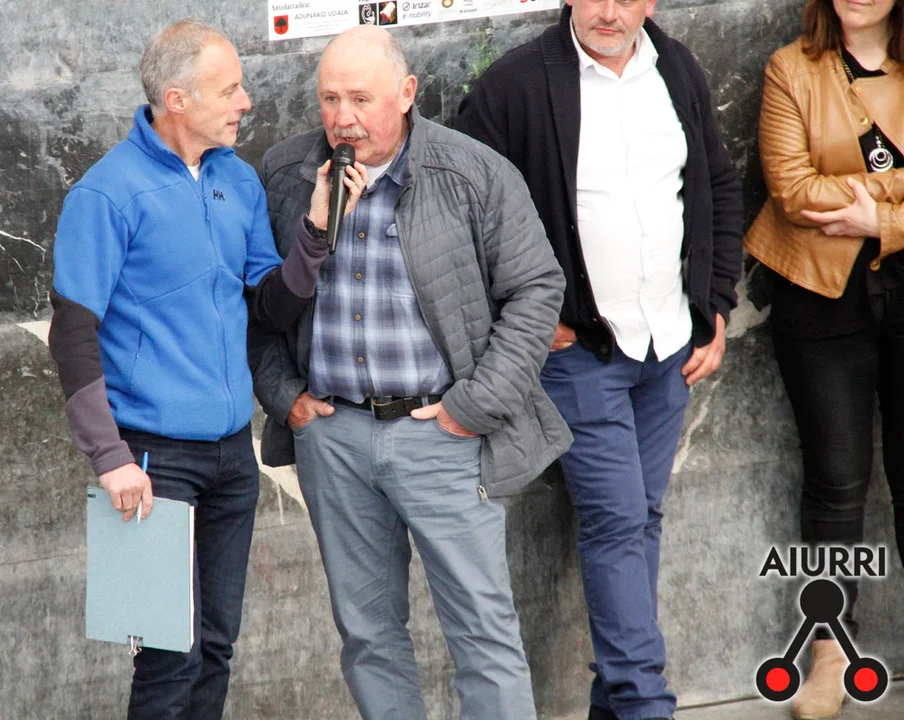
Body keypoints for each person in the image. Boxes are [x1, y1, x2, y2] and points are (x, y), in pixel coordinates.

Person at [250, 25, 571, 720]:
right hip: (333, 434)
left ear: (406, 94)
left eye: (360, 99)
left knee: (482, 632)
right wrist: (285, 397)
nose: (342, 117)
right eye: (329, 98)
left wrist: (474, 407)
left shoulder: (472, 172)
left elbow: (537, 288)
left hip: (442, 433)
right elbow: (253, 301)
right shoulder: (285, 174)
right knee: (368, 635)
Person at [48, 20, 365, 720]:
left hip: (231, 455)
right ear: (176, 100)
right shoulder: (106, 195)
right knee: (170, 657)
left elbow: (270, 305)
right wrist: (110, 457)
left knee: (216, 647)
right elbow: (71, 336)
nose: (245, 101)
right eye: (229, 90)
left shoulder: (238, 180)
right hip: (151, 460)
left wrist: (316, 230)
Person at [456, 1, 744, 719]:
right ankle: (646, 704)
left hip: (667, 346)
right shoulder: (516, 84)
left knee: (640, 517)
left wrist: (714, 301)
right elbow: (458, 212)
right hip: (580, 353)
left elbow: (717, 184)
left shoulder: (677, 68)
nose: (609, 12)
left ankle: (614, 705)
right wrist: (525, 317)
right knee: (618, 521)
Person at [744, 0, 904, 717]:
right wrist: (894, 196)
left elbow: (824, 184)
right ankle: (831, 653)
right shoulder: (792, 69)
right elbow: (793, 189)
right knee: (835, 482)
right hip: (820, 292)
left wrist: (879, 218)